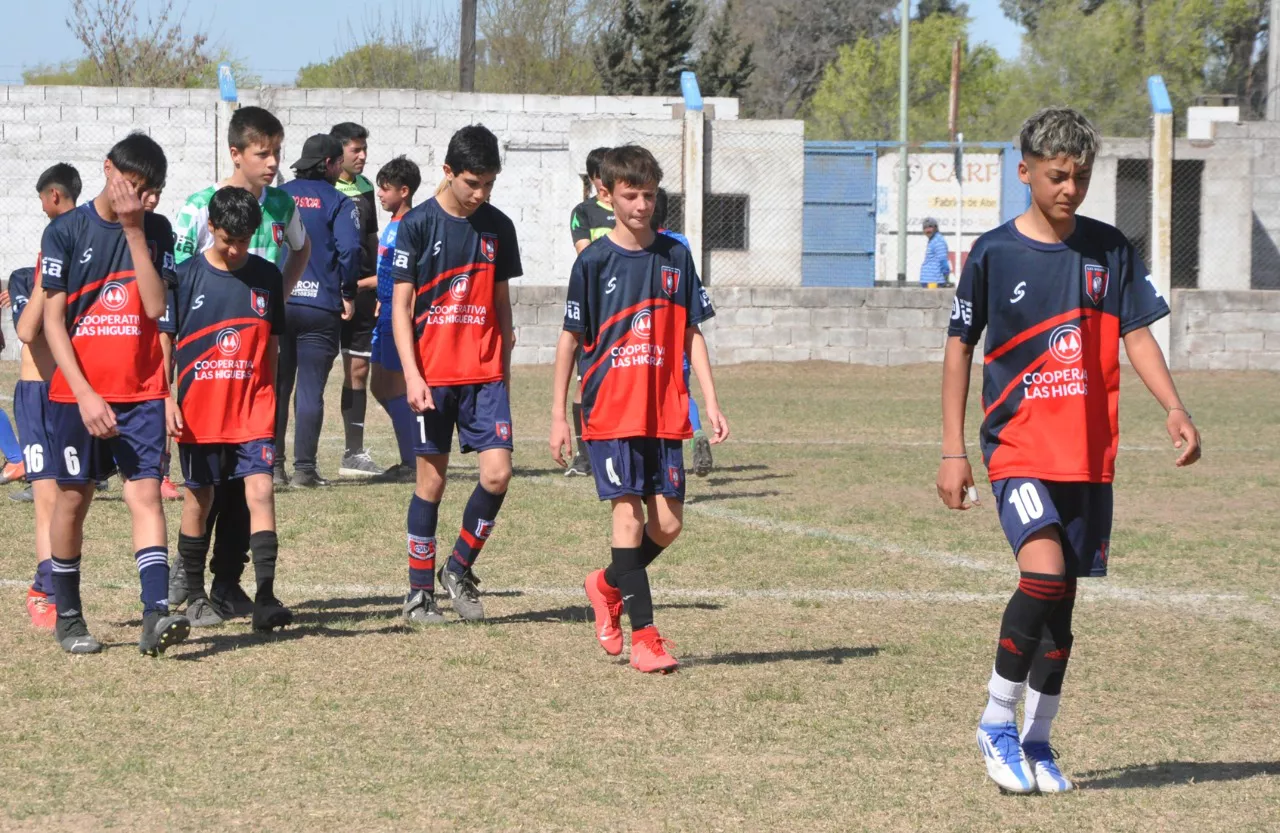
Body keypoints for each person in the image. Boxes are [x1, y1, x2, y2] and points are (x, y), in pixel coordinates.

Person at [937, 107, 1202, 794]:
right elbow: (959, 345)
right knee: (1044, 575)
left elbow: (1137, 334)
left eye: (1080, 176)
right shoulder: (995, 253)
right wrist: (952, 449)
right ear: (1023, 171)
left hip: (1086, 453)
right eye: (1056, 175)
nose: (1069, 188)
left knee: (1062, 609)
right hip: (1019, 447)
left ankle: (1039, 737)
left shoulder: (1111, 249)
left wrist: (1172, 406)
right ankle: (996, 719)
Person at [549, 145, 729, 673]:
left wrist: (711, 401)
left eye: (649, 195)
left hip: (664, 409)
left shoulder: (676, 255)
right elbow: (569, 339)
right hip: (609, 411)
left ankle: (605, 586)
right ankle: (646, 638)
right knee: (627, 520)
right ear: (606, 195)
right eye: (631, 196)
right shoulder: (594, 260)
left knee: (668, 524)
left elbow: (692, 332)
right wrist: (559, 414)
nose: (642, 205)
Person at [40, 132, 190, 655]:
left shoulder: (156, 230)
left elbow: (153, 307)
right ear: (108, 170)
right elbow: (53, 324)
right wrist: (84, 394)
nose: (144, 198)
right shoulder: (65, 230)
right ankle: (70, 615)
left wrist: (133, 230)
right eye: (136, 185)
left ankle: (156, 615)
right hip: (76, 397)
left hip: (143, 390)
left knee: (146, 494)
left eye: (154, 190)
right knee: (73, 499)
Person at [170, 105, 310, 620]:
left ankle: (231, 580)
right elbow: (176, 287)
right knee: (208, 488)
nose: (273, 163)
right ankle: (187, 582)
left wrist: (274, 299)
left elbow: (302, 248)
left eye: (277, 151)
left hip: (256, 360)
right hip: (207, 373)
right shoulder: (196, 208)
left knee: (250, 484)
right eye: (263, 153)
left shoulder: (280, 204)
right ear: (237, 153)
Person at [390, 124, 520, 624]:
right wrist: (413, 375)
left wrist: (503, 370)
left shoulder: (498, 227)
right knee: (432, 483)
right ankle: (418, 592)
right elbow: (401, 308)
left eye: (489, 183)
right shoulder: (417, 224)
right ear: (448, 172)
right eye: (472, 183)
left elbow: (502, 305)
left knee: (497, 473)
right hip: (432, 376)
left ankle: (458, 568)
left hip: (484, 375)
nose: (481, 194)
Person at [277, 134, 361, 487]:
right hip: (320, 307)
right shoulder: (340, 202)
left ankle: (273, 467)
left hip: (279, 302)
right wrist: (348, 291)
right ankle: (305, 470)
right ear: (328, 164)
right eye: (339, 162)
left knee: (277, 388)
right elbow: (351, 249)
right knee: (310, 390)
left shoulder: (279, 197)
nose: (342, 167)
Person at [331, 122, 383, 478]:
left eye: (364, 149)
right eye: (355, 150)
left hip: (362, 291)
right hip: (324, 293)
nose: (363, 156)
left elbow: (371, 241)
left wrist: (376, 286)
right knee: (311, 374)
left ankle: (353, 453)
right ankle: (291, 457)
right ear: (339, 154)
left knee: (358, 370)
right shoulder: (323, 188)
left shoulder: (365, 188)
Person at [368, 155, 422, 484]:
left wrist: (407, 309)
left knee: (396, 387)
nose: (379, 194)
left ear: (404, 191)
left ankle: (412, 460)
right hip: (385, 310)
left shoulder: (411, 226)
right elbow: (387, 273)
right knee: (379, 386)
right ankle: (414, 448)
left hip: (398, 315)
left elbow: (413, 277)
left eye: (385, 189)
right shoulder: (391, 224)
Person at [652, 187, 714, 478]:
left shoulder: (644, 248)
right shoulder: (680, 243)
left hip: (654, 336)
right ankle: (697, 430)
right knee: (681, 392)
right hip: (680, 334)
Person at [564, 146, 615, 477]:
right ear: (597, 178)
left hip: (630, 308)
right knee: (588, 382)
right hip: (595, 308)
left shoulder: (633, 210)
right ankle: (585, 457)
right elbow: (587, 255)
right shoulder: (583, 212)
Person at [920, 217, 951, 287]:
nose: (927, 230)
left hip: (935, 281)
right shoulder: (933, 240)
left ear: (936, 228)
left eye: (930, 227)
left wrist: (946, 276)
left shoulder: (938, 241)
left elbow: (943, 260)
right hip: (930, 280)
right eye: (925, 228)